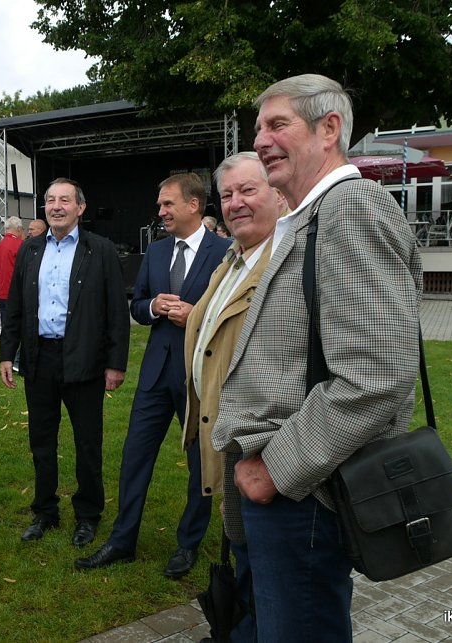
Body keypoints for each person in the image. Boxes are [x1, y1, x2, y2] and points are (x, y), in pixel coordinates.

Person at [212, 74, 422, 641]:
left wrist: (275, 469)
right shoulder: (310, 215)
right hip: (292, 490)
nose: (260, 140)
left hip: (306, 491)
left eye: (277, 124)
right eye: (259, 128)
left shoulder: (350, 207)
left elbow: (376, 378)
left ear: (329, 129)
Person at [75, 173, 229, 577]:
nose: (160, 212)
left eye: (167, 204)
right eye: (160, 205)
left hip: (200, 375)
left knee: (200, 463)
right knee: (135, 457)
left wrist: (196, 315)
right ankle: (122, 540)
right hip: (156, 374)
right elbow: (137, 305)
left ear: (193, 205)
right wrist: (152, 307)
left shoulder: (226, 252)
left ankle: (188, 544)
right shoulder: (157, 251)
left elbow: (234, 313)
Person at [184, 152, 287, 640]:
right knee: (244, 556)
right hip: (232, 441)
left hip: (268, 448)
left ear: (279, 195)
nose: (235, 203)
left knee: (273, 575)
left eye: (248, 190)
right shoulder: (232, 260)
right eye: (227, 195)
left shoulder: (283, 261)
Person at [0, 178, 130, 546]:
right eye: (51, 200)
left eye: (65, 200)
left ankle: (88, 515)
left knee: (87, 442)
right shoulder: (30, 249)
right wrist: (7, 353)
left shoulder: (99, 250)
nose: (56, 206)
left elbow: (116, 311)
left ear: (80, 208)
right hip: (39, 358)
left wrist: (116, 363)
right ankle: (45, 511)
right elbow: (16, 306)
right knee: (42, 441)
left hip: (85, 359)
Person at [0, 216, 25, 321]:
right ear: (19, 229)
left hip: (2, 291)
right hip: (16, 292)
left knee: (5, 322)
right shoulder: (21, 245)